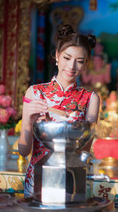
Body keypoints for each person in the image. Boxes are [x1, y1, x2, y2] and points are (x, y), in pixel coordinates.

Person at [18, 24, 100, 197]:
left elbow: (84, 152)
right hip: (36, 180)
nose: (71, 66)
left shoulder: (91, 99)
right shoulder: (34, 92)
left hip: (72, 181)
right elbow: (23, 151)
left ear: (86, 65)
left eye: (79, 61)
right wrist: (28, 121)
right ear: (56, 56)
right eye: (67, 58)